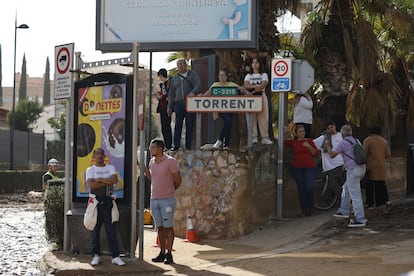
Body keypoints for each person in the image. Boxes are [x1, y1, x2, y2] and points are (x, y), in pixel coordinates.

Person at [144, 139, 181, 264]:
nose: (151, 149)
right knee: (160, 227)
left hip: (167, 200)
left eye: (153, 147)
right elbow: (153, 177)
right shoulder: (151, 162)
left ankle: (169, 254)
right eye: (150, 147)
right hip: (154, 199)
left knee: (168, 227)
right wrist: (145, 172)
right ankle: (162, 252)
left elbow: (178, 179)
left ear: (160, 149)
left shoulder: (171, 161)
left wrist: (170, 190)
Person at [86, 148, 125, 266]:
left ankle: (115, 256)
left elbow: (114, 179)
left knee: (111, 230)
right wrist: (106, 181)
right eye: (97, 154)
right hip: (95, 203)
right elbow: (91, 186)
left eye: (101, 154)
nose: (99, 156)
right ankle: (96, 255)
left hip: (108, 201)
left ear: (104, 156)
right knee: (95, 230)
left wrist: (99, 180)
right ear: (94, 156)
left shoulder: (110, 167)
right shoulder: (90, 169)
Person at [326, 125, 367, 228]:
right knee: (346, 188)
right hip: (362, 169)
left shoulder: (343, 143)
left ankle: (360, 219)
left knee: (355, 195)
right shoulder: (357, 141)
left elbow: (332, 155)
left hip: (352, 171)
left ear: (342, 134)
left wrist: (327, 145)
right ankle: (343, 210)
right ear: (351, 133)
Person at [200, 68, 244, 149]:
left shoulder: (231, 84)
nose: (222, 77)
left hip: (231, 108)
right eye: (220, 75)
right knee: (228, 121)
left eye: (223, 75)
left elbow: (241, 89)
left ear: (226, 77)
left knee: (229, 124)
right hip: (220, 108)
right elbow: (207, 94)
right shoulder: (215, 85)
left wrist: (248, 93)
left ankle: (226, 145)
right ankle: (219, 140)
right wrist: (200, 96)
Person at [284, 124, 319, 216]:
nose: (302, 133)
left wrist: (308, 146)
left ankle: (311, 208)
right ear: (296, 133)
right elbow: (284, 142)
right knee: (301, 188)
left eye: (303, 131)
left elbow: (315, 152)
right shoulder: (294, 142)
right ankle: (304, 209)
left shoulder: (310, 141)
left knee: (309, 187)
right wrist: (287, 132)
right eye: (300, 131)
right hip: (297, 168)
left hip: (309, 168)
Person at [167, 58, 201, 150]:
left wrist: (193, 92)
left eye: (182, 64)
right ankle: (176, 146)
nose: (180, 66)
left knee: (189, 125)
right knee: (178, 125)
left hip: (190, 103)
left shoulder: (192, 75)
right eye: (178, 65)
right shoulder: (174, 78)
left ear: (186, 65)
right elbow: (171, 93)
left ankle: (188, 146)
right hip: (178, 104)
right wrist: (169, 106)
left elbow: (198, 85)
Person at [244, 57, 273, 145]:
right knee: (252, 118)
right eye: (253, 62)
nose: (255, 64)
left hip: (261, 95)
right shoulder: (249, 75)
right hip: (251, 97)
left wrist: (256, 87)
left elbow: (264, 83)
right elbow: (246, 85)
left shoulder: (263, 75)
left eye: (256, 62)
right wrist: (255, 87)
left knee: (263, 117)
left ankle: (265, 137)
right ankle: (254, 137)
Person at [313, 120, 345, 195]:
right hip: (330, 167)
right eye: (328, 128)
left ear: (335, 126)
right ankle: (344, 200)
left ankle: (345, 201)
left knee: (344, 185)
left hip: (342, 165)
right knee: (333, 185)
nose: (331, 129)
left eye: (332, 127)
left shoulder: (341, 136)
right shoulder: (324, 138)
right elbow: (312, 143)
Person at [363, 126, 391, 208]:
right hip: (381, 165)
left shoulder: (368, 140)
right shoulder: (384, 141)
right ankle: (382, 201)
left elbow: (364, 153)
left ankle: (370, 203)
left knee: (370, 186)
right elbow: (388, 154)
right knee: (381, 184)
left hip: (371, 166)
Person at [157, 68, 173, 150]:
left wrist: (161, 96)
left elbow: (166, 94)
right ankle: (167, 145)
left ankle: (169, 145)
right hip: (162, 107)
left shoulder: (168, 83)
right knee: (164, 126)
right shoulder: (163, 84)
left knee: (166, 126)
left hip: (166, 107)